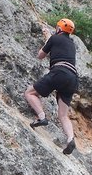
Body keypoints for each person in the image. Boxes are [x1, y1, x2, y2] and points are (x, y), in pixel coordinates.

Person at [24, 18, 78, 155]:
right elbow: (56, 43)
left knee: (30, 93)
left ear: (59, 29)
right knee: (63, 115)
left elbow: (40, 55)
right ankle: (71, 139)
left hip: (60, 72)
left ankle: (42, 117)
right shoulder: (71, 44)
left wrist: (47, 39)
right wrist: (48, 36)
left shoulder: (54, 38)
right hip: (73, 78)